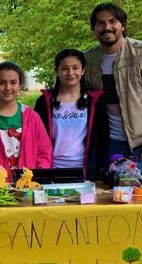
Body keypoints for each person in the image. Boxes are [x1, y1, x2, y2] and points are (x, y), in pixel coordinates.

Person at [84, 2, 142, 181]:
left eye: (112, 21)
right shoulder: (88, 60)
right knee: (111, 200)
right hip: (109, 146)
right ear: (94, 28)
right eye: (100, 23)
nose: (106, 27)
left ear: (122, 25)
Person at [0, 62, 52, 181]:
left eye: (13, 82)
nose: (7, 88)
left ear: (20, 85)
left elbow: (44, 152)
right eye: (2, 83)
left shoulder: (32, 117)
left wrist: (34, 176)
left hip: (27, 188)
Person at [34, 49, 109, 179]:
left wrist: (100, 171)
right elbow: (36, 138)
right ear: (57, 71)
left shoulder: (95, 100)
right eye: (64, 68)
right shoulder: (44, 101)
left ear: (83, 70)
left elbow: (103, 139)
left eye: (75, 68)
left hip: (85, 170)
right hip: (52, 168)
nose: (70, 73)